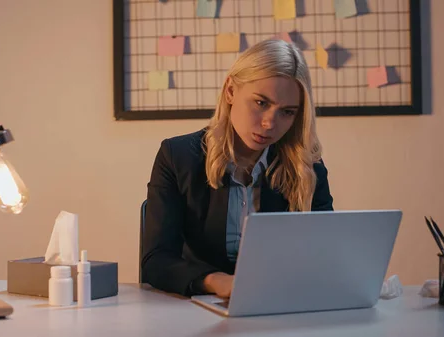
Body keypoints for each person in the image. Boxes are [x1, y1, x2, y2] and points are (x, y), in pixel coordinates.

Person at [141, 39, 334, 298]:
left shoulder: (307, 167)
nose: (269, 123)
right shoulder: (177, 157)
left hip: (279, 301)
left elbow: (325, 253)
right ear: (231, 91)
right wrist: (218, 283)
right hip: (198, 304)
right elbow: (156, 260)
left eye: (287, 112)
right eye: (261, 103)